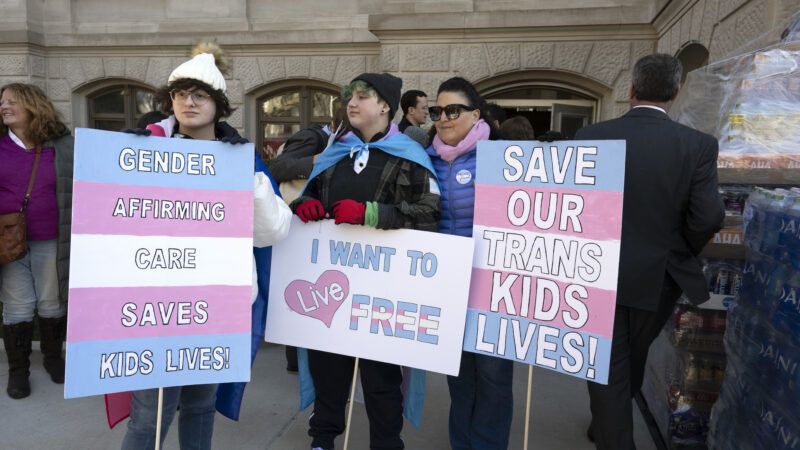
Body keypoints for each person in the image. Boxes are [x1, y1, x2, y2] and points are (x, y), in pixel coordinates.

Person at [119, 43, 292, 450]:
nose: (188, 102)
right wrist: (124, 163)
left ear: (218, 104)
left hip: (216, 306)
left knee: (199, 404)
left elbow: (273, 232)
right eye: (180, 94)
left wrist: (247, 178)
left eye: (199, 95)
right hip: (155, 304)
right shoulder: (147, 150)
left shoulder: (240, 158)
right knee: (149, 413)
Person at [574, 54, 725, 450]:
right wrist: (676, 250)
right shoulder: (698, 145)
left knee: (611, 363)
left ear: (631, 90)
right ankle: (608, 424)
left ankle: (609, 426)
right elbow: (708, 216)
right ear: (675, 92)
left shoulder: (590, 137)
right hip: (659, 277)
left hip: (595, 270)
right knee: (621, 359)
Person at [291, 73, 439, 450]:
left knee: (381, 380)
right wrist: (306, 207)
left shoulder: (411, 156)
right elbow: (310, 202)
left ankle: (387, 444)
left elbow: (429, 214)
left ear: (386, 105)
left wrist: (373, 213)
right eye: (348, 97)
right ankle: (322, 439)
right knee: (329, 373)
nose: (351, 103)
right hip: (332, 288)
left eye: (362, 97)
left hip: (382, 295)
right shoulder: (334, 152)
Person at [423, 77, 511, 450]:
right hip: (447, 285)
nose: (443, 117)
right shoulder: (423, 158)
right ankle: (462, 443)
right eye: (437, 111)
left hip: (495, 288)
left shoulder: (505, 158)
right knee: (457, 375)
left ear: (476, 114)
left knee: (492, 376)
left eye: (452, 110)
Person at [0, 83, 73, 399]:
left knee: (51, 302)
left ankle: (54, 359)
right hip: (7, 243)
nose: (4, 106)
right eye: (2, 102)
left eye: (12, 101)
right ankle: (18, 372)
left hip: (51, 239)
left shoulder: (63, 147)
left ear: (33, 106)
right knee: (17, 305)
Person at [267, 104, 347, 373]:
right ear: (336, 124)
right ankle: (295, 358)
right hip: (299, 223)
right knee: (301, 285)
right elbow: (277, 168)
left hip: (319, 225)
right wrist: (314, 161)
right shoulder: (312, 138)